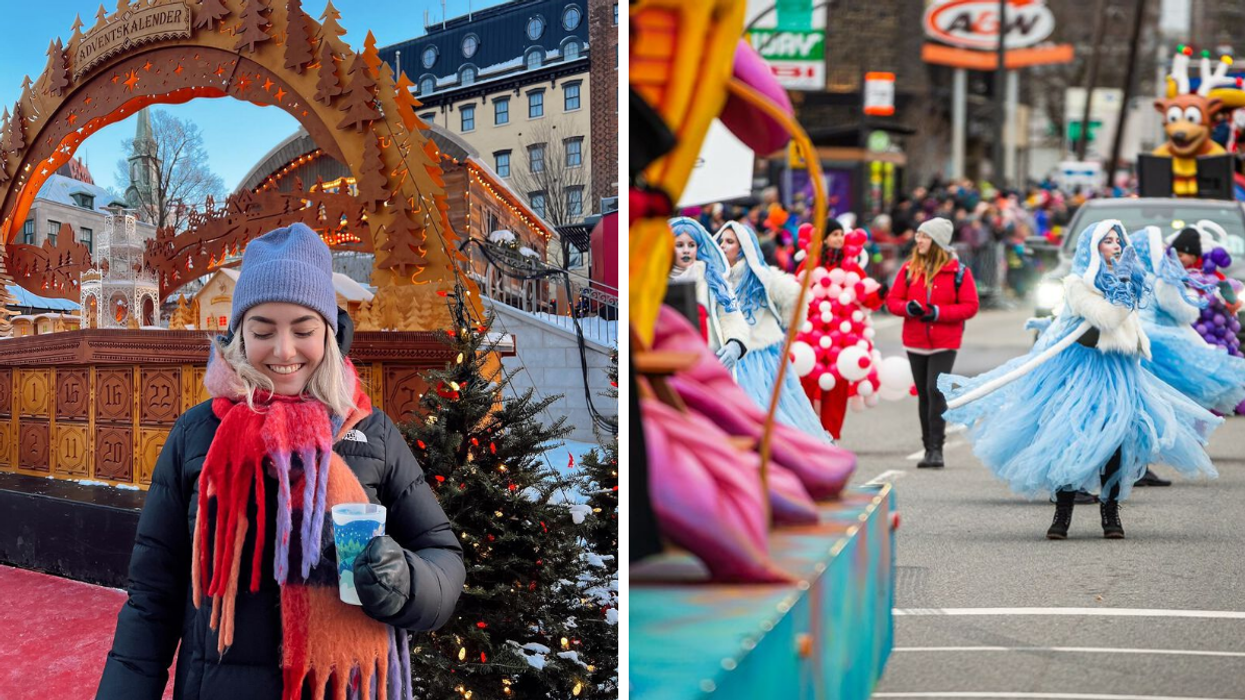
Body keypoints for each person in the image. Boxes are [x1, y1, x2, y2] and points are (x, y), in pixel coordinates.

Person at [97, 223, 464, 699]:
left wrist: (406, 583)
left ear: (329, 334)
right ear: (240, 334)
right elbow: (152, 598)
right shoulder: (197, 435)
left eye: (304, 329)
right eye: (263, 330)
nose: (284, 351)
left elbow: (444, 557)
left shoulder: (370, 433)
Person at [939, 221, 1221, 540]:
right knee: (1071, 437)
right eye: (1108, 241)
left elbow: (1132, 325)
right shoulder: (1077, 283)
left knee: (1116, 442)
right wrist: (1123, 284)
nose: (1116, 245)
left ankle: (1110, 513)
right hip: (1082, 371)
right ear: (1093, 247)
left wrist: (1132, 296)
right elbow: (1108, 318)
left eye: (1118, 240)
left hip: (1120, 371)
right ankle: (1063, 514)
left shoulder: (1128, 280)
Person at [715, 221, 830, 441]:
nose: (722, 246)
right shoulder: (717, 276)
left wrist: (787, 327)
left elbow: (795, 296)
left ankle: (783, 455)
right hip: (732, 354)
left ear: (743, 247)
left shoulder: (760, 275)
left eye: (730, 242)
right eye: (721, 240)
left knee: (766, 411)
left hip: (762, 356)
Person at [885, 218, 979, 468]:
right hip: (915, 339)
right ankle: (928, 447)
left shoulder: (959, 272)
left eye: (924, 236)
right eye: (918, 235)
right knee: (924, 395)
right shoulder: (909, 269)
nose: (918, 240)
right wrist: (909, 308)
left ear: (937, 241)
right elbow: (892, 301)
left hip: (945, 340)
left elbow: (970, 307)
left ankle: (937, 448)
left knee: (935, 389)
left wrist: (937, 312)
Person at [668, 216, 750, 370]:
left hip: (710, 360)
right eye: (679, 245)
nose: (686, 250)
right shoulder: (656, 281)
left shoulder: (713, 280)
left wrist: (735, 344)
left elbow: (731, 316)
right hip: (670, 362)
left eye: (691, 245)